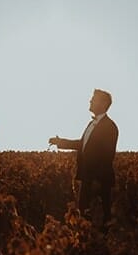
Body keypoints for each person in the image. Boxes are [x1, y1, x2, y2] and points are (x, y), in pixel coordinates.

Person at [48, 89, 118, 223]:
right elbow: (82, 144)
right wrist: (60, 142)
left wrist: (97, 182)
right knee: (84, 218)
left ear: (103, 103)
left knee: (98, 220)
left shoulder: (110, 127)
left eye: (93, 99)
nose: (90, 101)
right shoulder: (92, 124)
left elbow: (107, 156)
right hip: (88, 179)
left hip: (98, 182)